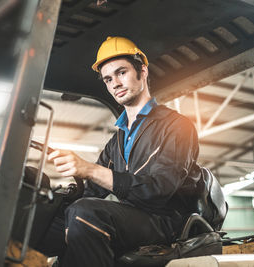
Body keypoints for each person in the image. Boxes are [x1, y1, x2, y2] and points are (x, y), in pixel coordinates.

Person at [39, 36, 203, 267]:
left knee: (85, 214)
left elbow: (160, 189)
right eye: (108, 79)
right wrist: (46, 202)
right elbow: (91, 192)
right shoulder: (116, 141)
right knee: (36, 223)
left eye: (121, 72)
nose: (114, 83)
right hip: (129, 220)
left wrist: (89, 169)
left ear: (142, 71)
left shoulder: (176, 126)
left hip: (166, 221)